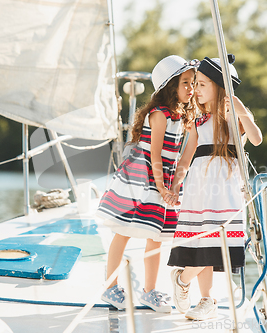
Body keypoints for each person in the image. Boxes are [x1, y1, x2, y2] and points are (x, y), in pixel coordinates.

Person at [96, 55, 197, 312]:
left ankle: (149, 291)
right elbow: (154, 155)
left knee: (156, 236)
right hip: (142, 179)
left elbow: (180, 155)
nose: (191, 88)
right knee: (123, 231)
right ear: (170, 86)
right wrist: (162, 187)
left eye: (193, 82)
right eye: (185, 82)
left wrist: (173, 185)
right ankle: (110, 287)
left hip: (164, 179)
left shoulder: (181, 115)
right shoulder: (159, 115)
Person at [166, 54, 263, 320]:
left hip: (227, 189)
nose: (195, 90)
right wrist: (175, 186)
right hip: (200, 188)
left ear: (220, 88)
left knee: (217, 241)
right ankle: (207, 299)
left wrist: (241, 109)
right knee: (203, 242)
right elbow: (186, 157)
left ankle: (183, 279)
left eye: (202, 84)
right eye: (195, 84)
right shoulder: (197, 121)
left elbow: (256, 139)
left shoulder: (236, 117)